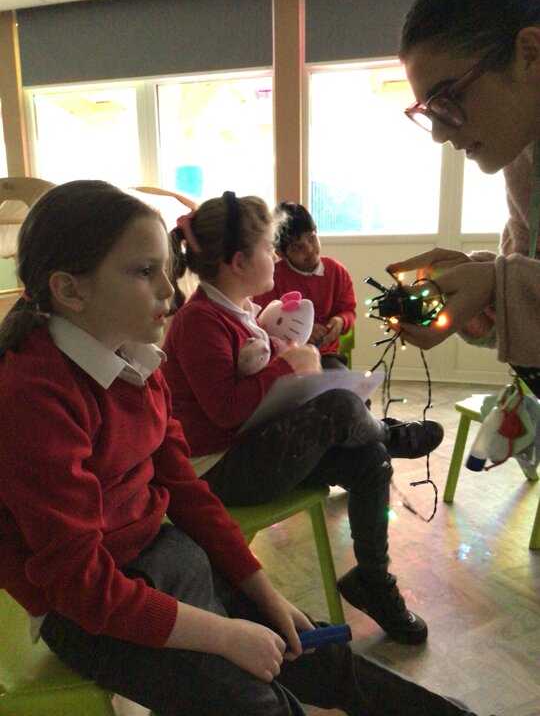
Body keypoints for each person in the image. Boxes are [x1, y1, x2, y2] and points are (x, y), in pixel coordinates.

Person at [0, 179, 493, 716]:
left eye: (165, 269)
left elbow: (186, 491)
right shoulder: (33, 395)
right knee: (260, 702)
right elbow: (82, 588)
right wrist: (227, 635)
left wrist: (263, 594)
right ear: (71, 291)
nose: (169, 291)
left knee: (313, 651)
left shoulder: (134, 357)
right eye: (144, 272)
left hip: (161, 561)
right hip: (91, 614)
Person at [161, 190, 446, 648]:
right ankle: (393, 434)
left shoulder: (241, 311)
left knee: (370, 459)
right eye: (267, 248)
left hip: (249, 448)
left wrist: (294, 369)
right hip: (218, 470)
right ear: (238, 261)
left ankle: (372, 580)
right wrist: (288, 366)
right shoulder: (199, 321)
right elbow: (226, 411)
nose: (275, 257)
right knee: (340, 407)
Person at [387, 0, 540, 396]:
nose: (440, 134)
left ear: (530, 54)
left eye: (448, 99)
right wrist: (479, 292)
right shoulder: (523, 155)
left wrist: (497, 286)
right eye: (429, 111)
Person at [253, 202, 356, 370]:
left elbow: (348, 310)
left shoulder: (337, 272)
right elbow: (263, 322)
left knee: (345, 382)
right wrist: (303, 330)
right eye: (297, 247)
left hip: (325, 356)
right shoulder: (273, 277)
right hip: (285, 357)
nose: (309, 249)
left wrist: (341, 321)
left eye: (311, 238)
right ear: (281, 253)